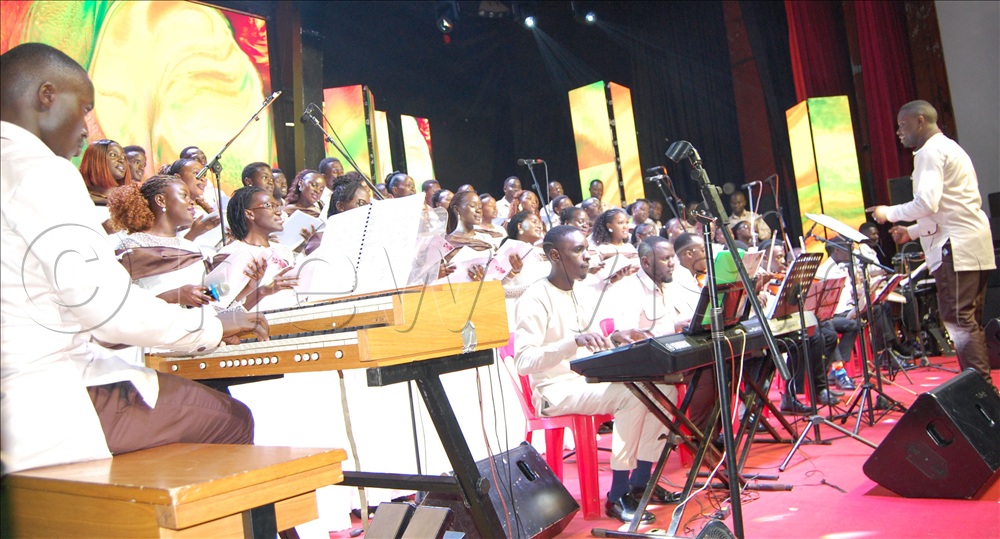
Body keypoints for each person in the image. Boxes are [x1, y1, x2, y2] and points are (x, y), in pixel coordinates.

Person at [0, 42, 266, 474]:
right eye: (84, 109)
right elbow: (107, 310)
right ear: (46, 95)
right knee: (233, 419)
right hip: (46, 402)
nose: (85, 128)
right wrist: (214, 325)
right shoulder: (40, 170)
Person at [514, 226, 675, 523]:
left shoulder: (581, 291)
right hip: (554, 390)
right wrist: (571, 343)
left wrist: (615, 337)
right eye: (578, 250)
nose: (587, 256)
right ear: (555, 256)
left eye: (586, 248)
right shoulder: (534, 298)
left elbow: (594, 339)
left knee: (665, 389)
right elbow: (523, 361)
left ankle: (641, 483)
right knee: (632, 395)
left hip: (589, 380)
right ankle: (618, 493)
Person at [870, 100, 995, 386]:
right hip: (974, 241)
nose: (899, 132)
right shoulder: (951, 147)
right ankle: (982, 389)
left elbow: (927, 203)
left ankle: (981, 391)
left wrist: (888, 213)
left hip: (955, 247)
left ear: (920, 121)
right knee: (969, 321)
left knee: (959, 321)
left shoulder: (928, 152)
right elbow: (950, 205)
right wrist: (912, 232)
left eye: (902, 125)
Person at [80, 139, 132, 232]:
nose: (121, 160)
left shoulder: (132, 200)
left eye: (124, 157)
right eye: (113, 155)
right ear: (95, 160)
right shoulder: (77, 197)